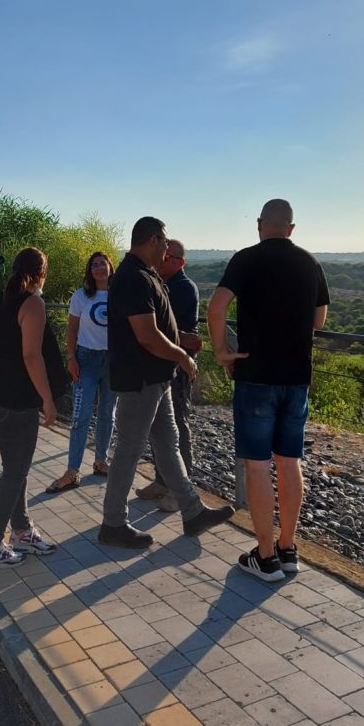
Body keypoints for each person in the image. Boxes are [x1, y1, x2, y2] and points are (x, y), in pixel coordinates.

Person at [208, 199, 329, 581]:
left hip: (256, 374)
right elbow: (319, 320)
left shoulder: (246, 259)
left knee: (257, 466)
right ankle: (288, 548)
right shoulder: (310, 262)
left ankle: (264, 556)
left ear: (260, 225)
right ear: (291, 228)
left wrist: (222, 352)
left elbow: (215, 308)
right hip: (296, 378)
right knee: (289, 461)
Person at [99, 216, 234, 549]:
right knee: (129, 451)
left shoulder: (145, 275)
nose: (166, 247)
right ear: (152, 240)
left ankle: (192, 511)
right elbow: (147, 335)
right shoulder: (132, 277)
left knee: (168, 444)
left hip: (154, 379)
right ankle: (113, 523)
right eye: (164, 241)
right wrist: (182, 357)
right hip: (141, 379)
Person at [0, 247, 59, 570]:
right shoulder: (32, 303)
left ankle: (21, 531)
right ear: (41, 273)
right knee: (14, 473)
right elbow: (32, 356)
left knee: (15, 467)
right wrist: (47, 399)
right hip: (16, 401)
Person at [137, 239, 201, 511]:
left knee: (177, 427)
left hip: (177, 366)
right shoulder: (161, 283)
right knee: (159, 427)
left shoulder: (184, 288)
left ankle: (181, 489)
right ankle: (163, 480)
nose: (163, 259)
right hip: (160, 365)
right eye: (163, 255)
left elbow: (167, 328)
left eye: (169, 257)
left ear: (180, 262)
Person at [46, 251, 117, 493]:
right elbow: (72, 329)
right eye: (94, 264)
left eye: (102, 263)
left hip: (113, 361)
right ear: (90, 271)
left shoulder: (121, 295)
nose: (98, 267)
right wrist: (71, 357)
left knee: (108, 414)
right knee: (81, 416)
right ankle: (72, 470)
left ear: (110, 267)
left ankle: (101, 461)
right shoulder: (80, 296)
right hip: (86, 359)